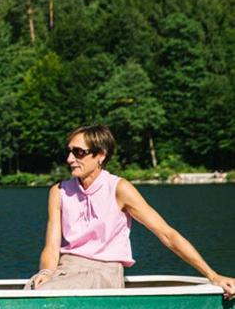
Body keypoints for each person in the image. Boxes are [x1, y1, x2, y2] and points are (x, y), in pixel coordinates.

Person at [27, 124, 235, 299]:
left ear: (100, 155)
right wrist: (45, 272)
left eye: (79, 152)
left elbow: (167, 234)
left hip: (103, 272)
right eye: (69, 151)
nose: (70, 159)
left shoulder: (120, 189)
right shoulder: (59, 191)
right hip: (65, 269)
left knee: (47, 293)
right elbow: (52, 247)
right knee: (32, 288)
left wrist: (212, 275)